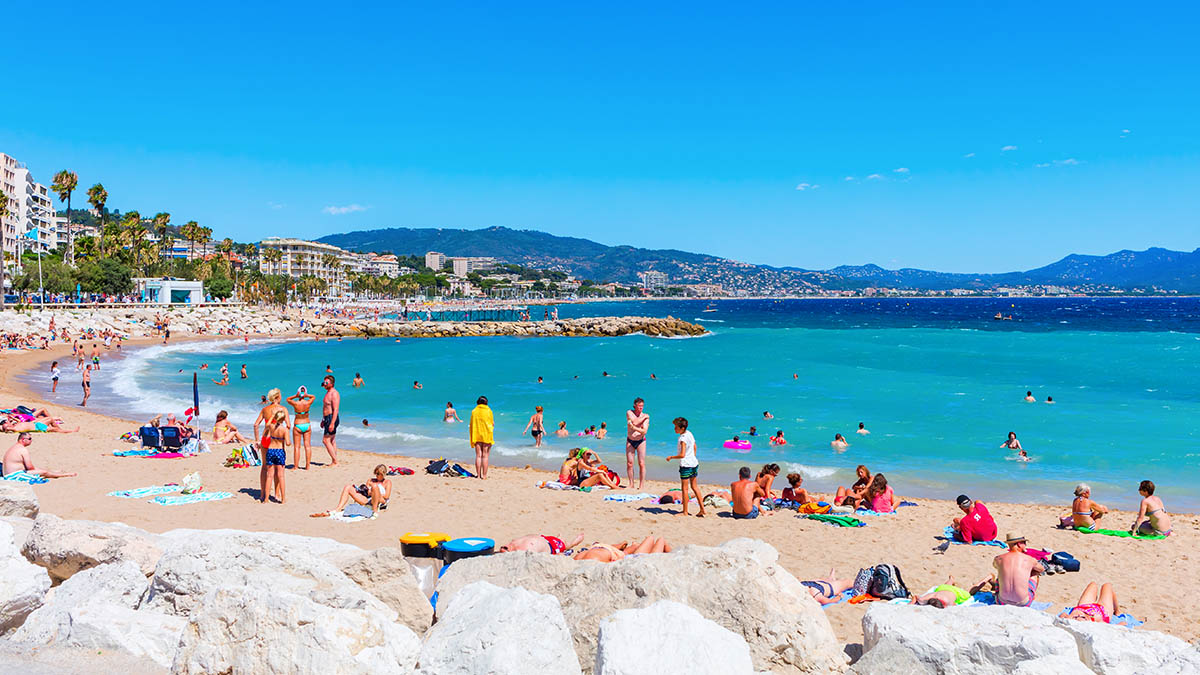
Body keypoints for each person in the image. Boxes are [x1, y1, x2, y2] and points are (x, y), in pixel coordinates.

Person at [665, 416, 706, 517]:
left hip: (686, 465)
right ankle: (702, 509)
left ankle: (685, 512)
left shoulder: (683, 438)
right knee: (695, 487)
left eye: (676, 427)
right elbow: (695, 446)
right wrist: (692, 457)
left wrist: (671, 457)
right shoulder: (690, 434)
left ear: (682, 428)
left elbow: (682, 455)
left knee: (685, 489)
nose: (674, 429)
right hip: (694, 463)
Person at [993, 532, 1042, 606]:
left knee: (1000, 575)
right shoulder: (1029, 559)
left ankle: (997, 593)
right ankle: (1032, 596)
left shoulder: (998, 558)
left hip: (1001, 601)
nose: (1025, 545)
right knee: (1035, 574)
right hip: (1023, 603)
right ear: (1019, 544)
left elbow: (995, 566)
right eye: (1024, 543)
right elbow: (1041, 569)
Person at [1, 433, 76, 479]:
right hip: (13, 476)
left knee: (40, 470)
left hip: (8, 474)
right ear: (23, 440)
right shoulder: (23, 450)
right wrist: (38, 470)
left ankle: (54, 472)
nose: (31, 440)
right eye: (29, 439)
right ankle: (63, 475)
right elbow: (30, 468)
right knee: (43, 472)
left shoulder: (14, 447)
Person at [260, 409, 290, 504]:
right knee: (281, 476)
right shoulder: (285, 430)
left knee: (269, 476)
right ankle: (283, 499)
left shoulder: (271, 427)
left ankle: (266, 498)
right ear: (284, 419)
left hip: (271, 450)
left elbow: (267, 424)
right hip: (280, 451)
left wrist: (272, 416)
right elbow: (288, 443)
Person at [573, 536, 673, 562]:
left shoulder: (580, 557)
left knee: (653, 539)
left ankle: (635, 545)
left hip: (621, 554)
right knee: (659, 540)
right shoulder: (596, 551)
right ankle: (674, 557)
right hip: (635, 559)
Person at [287, 386, 316, 470]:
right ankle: (307, 466)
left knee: (297, 447)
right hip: (307, 424)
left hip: (298, 424)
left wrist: (296, 396)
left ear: (298, 392)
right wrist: (306, 395)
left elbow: (288, 399)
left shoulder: (296, 403)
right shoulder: (308, 403)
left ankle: (296, 466)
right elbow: (313, 397)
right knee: (307, 446)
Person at [625, 397, 649, 490]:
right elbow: (634, 421)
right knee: (630, 463)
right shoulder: (629, 412)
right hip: (630, 440)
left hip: (641, 441)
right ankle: (631, 484)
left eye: (642, 406)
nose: (641, 408)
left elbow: (644, 431)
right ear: (635, 406)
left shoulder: (645, 416)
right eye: (639, 406)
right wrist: (643, 419)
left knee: (641, 463)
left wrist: (634, 427)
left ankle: (641, 485)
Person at [469, 395, 494, 479]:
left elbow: (472, 424)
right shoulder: (488, 410)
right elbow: (492, 423)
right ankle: (484, 475)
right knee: (485, 455)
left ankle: (478, 475)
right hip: (486, 434)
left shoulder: (474, 411)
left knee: (478, 455)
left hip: (477, 434)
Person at [498, 532, 585, 554]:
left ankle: (565, 540)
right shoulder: (524, 551)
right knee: (564, 545)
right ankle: (574, 542)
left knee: (561, 542)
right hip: (552, 546)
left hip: (545, 538)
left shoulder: (513, 546)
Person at [321, 375, 340, 466]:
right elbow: (325, 407)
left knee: (325, 440)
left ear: (331, 384)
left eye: (326, 382)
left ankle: (335, 461)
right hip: (327, 418)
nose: (324, 384)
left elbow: (335, 409)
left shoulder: (334, 393)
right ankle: (334, 460)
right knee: (332, 440)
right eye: (324, 382)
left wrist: (332, 423)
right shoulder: (328, 392)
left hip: (331, 418)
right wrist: (323, 420)